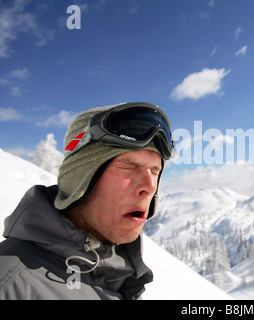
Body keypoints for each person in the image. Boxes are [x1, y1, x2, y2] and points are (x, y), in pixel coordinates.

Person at [0, 102, 174, 300]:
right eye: (129, 167)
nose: (150, 186)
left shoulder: (120, 277)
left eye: (155, 171)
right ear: (80, 181)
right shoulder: (10, 286)